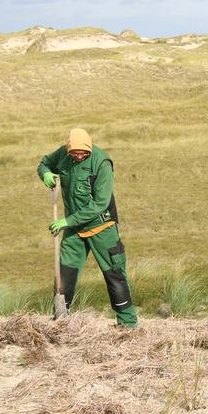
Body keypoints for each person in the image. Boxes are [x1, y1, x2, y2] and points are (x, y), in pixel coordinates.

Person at [37, 128, 136, 328]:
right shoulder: (63, 155)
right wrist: (45, 173)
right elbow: (45, 163)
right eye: (74, 153)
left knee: (114, 274)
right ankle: (61, 320)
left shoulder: (102, 163)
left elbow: (100, 203)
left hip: (102, 226)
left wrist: (67, 221)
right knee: (65, 272)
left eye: (83, 153)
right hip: (75, 229)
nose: (79, 155)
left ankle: (127, 324)